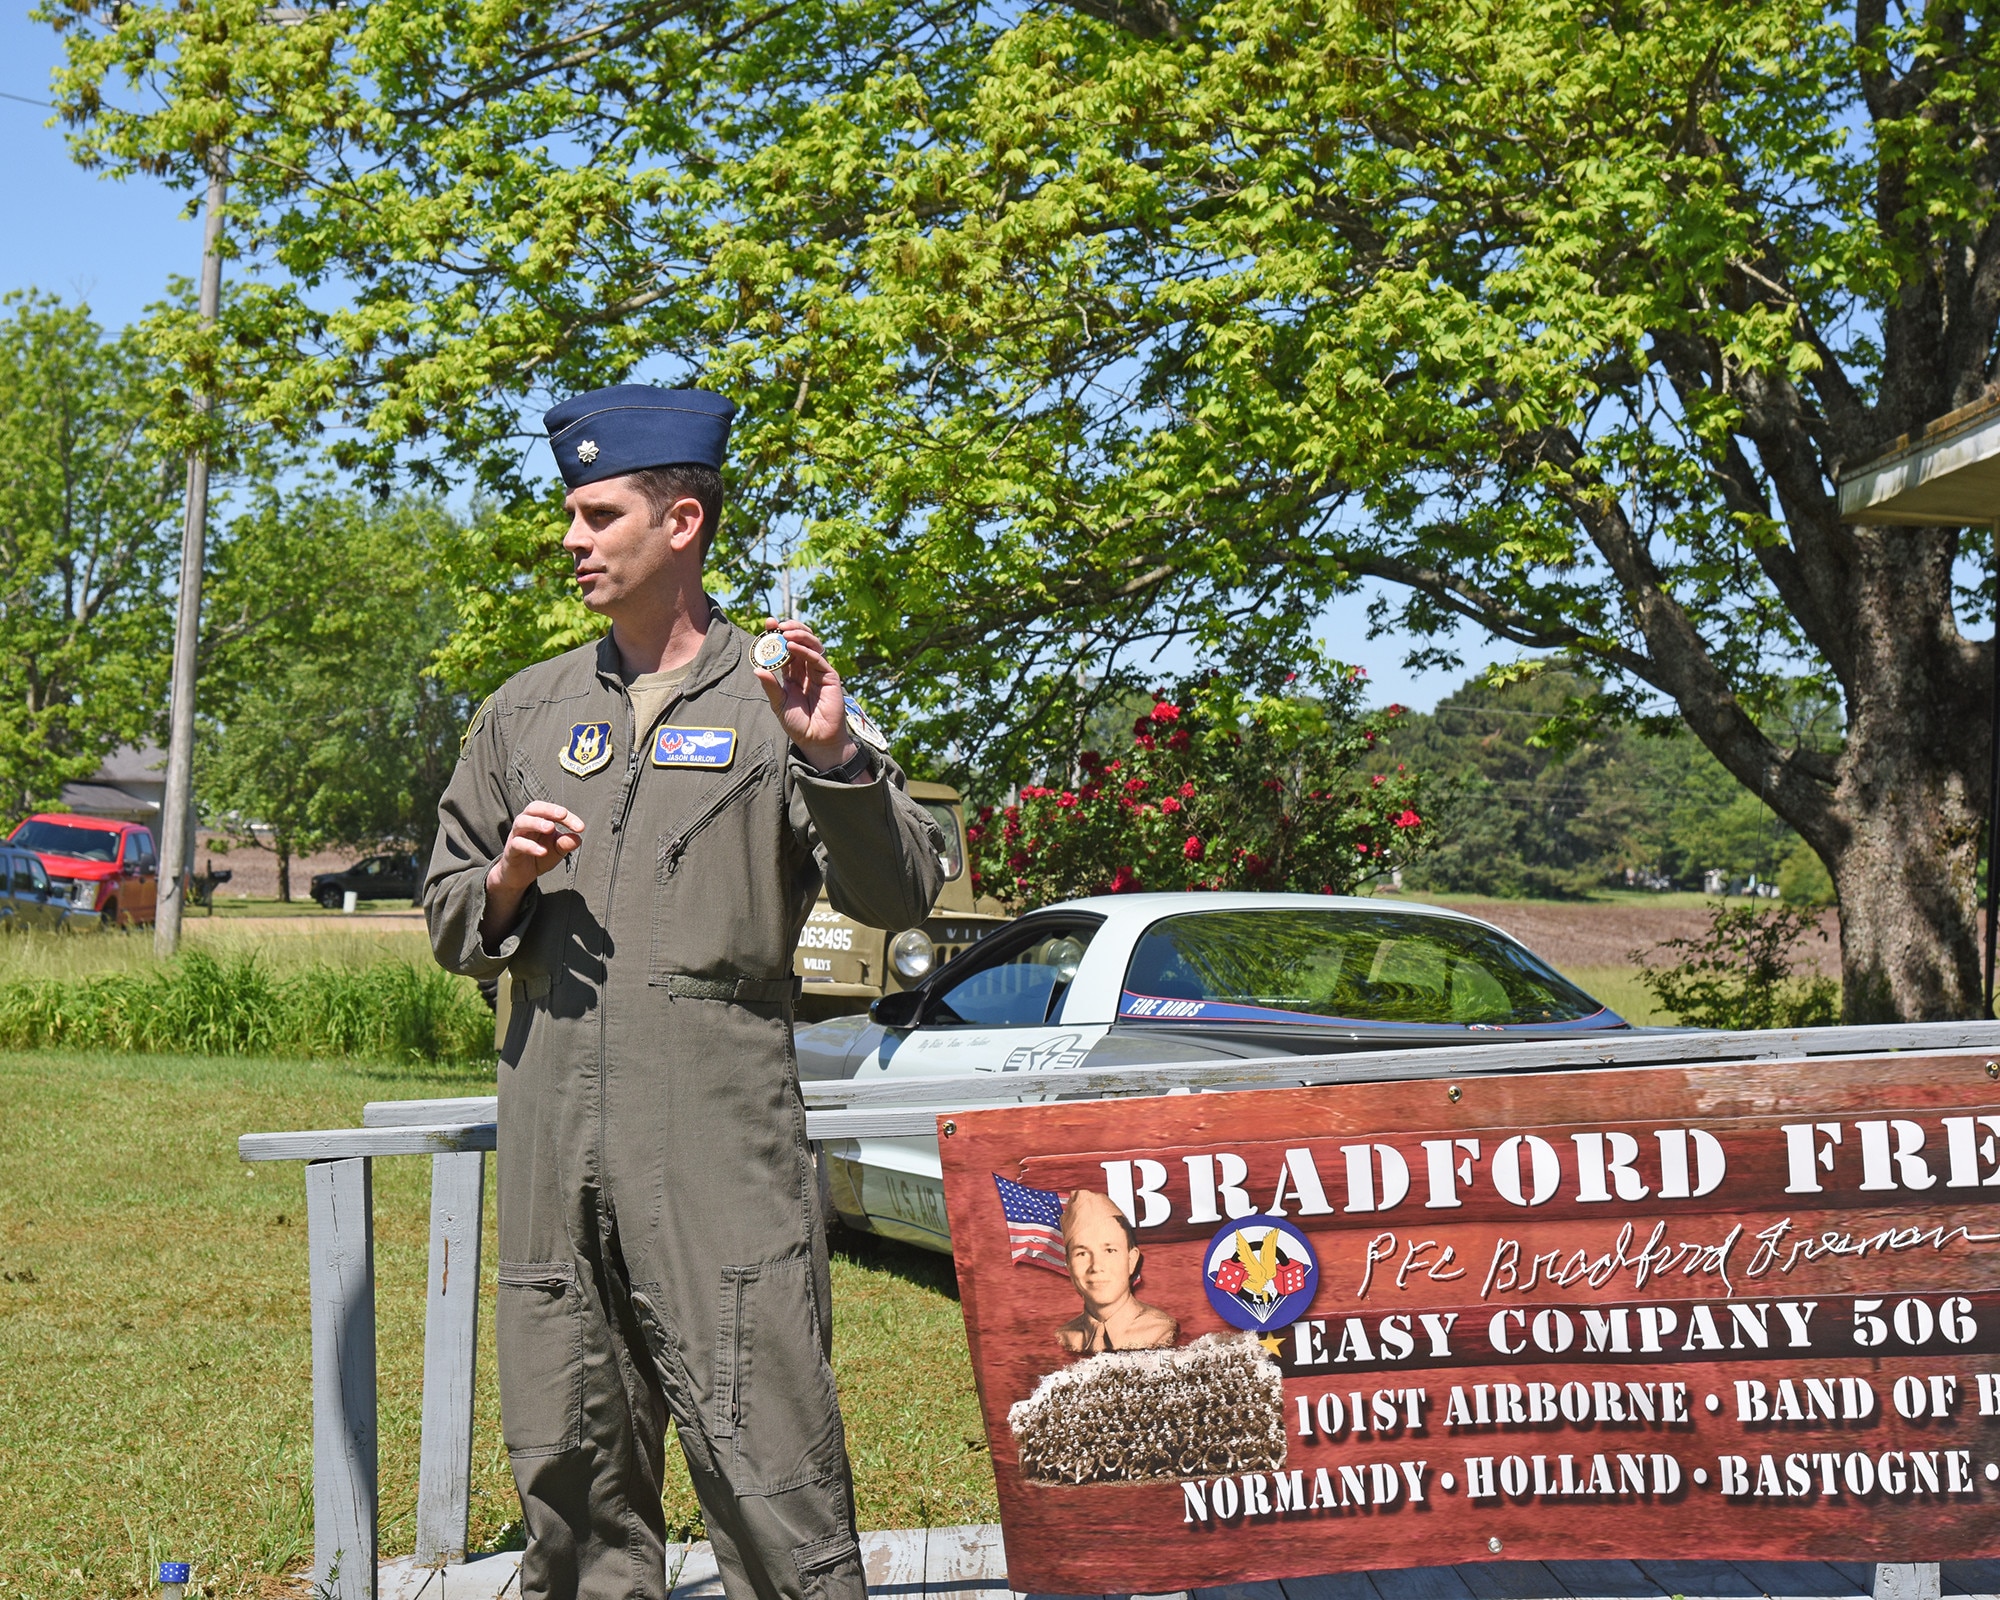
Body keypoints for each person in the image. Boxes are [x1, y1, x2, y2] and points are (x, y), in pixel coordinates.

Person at [424, 384, 945, 1600]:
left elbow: (901, 889)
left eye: (598, 515)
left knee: (763, 1451)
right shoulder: (527, 710)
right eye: (569, 514)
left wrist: (831, 755)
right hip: (556, 1133)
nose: (571, 540)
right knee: (569, 1453)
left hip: (715, 1138)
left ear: (683, 523)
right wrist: (505, 877)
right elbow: (451, 919)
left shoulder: (780, 699)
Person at [1055, 1189, 1180, 1355]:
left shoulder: (1160, 1331)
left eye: (1109, 1250)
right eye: (1082, 1253)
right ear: (1069, 1265)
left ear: (1131, 1260)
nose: (1096, 1266)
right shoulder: (1064, 1337)